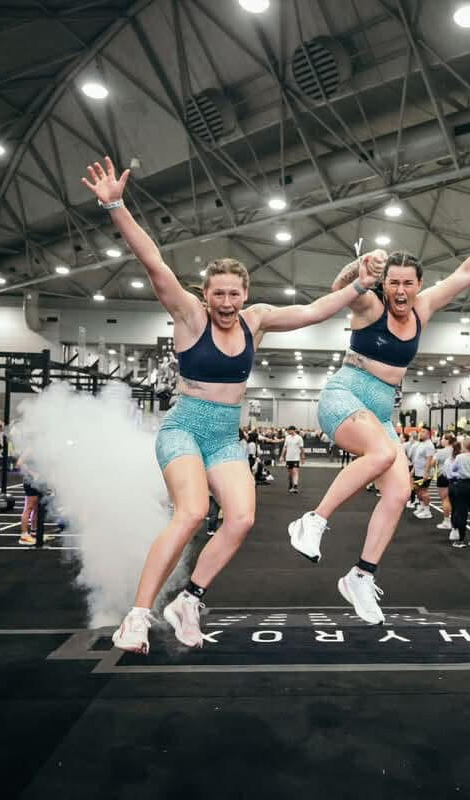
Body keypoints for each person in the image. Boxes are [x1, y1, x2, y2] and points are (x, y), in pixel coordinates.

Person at [82, 156, 383, 654]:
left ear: (246, 294)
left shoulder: (256, 320)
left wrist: (359, 285)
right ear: (205, 293)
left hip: (224, 434)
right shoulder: (188, 314)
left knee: (242, 518)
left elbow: (312, 311)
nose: (225, 302)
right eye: (218, 293)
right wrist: (115, 205)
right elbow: (153, 261)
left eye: (234, 294)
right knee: (193, 512)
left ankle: (190, 599)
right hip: (184, 427)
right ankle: (137, 615)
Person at [287, 199, 470, 624]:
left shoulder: (424, 308)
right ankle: (313, 520)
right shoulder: (369, 306)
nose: (399, 291)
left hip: (381, 413)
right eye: (392, 282)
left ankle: (360, 576)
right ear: (384, 283)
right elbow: (337, 289)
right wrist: (359, 269)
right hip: (346, 395)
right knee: (380, 456)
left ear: (417, 284)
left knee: (397, 492)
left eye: (407, 283)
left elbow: (466, 272)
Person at [447, 435, 470, 549]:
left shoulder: (460, 457)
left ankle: (461, 540)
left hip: (462, 486)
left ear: (464, 446)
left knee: (461, 513)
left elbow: (453, 469)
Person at [409, 427, 436, 519]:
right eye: (420, 431)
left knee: (423, 491)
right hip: (418, 471)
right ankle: (421, 507)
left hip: (424, 473)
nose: (421, 433)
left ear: (428, 434)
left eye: (423, 432)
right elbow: (417, 459)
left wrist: (426, 473)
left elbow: (429, 460)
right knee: (417, 489)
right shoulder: (421, 444)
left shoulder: (429, 445)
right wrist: (413, 471)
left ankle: (427, 511)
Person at [432, 432, 456, 532]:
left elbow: (433, 463)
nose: (441, 440)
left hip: (443, 476)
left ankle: (447, 522)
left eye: (442, 439)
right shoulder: (457, 450)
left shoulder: (441, 452)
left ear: (447, 441)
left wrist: (437, 467)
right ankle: (454, 521)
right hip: (455, 477)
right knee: (453, 500)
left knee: (445, 499)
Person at [282, 426, 305, 493]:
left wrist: (303, 457)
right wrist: (282, 456)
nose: (288, 431)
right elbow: (285, 447)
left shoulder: (299, 438)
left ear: (293, 430)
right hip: (288, 458)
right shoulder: (287, 437)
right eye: (288, 430)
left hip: (296, 458)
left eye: (289, 430)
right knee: (290, 473)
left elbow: (301, 448)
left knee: (295, 471)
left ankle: (295, 486)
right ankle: (290, 484)